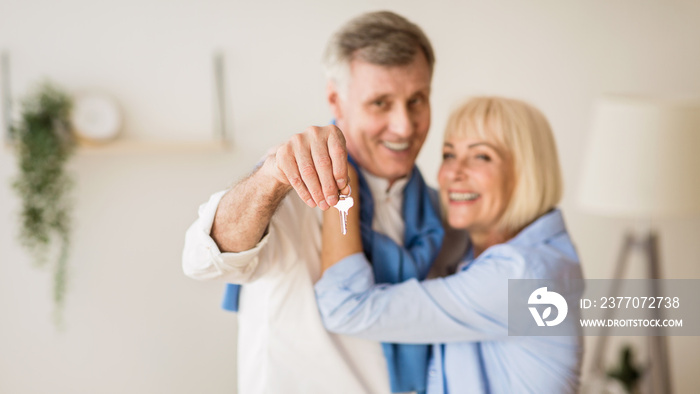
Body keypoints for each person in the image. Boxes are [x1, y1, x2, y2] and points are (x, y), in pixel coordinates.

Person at [183, 11, 465, 394]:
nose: (404, 125)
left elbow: (511, 305)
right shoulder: (289, 195)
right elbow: (202, 261)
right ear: (336, 100)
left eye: (417, 100)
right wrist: (271, 177)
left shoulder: (445, 213)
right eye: (381, 103)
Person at [315, 96, 584, 393]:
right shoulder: (510, 253)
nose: (453, 173)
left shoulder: (520, 278)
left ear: (525, 172)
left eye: (481, 156)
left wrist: (341, 184)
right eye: (448, 154)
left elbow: (345, 307)